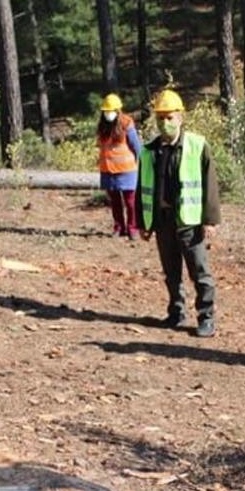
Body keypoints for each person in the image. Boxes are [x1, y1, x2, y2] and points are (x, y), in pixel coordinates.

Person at [136, 89, 220, 338]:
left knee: (200, 273)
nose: (165, 122)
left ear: (180, 117)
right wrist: (143, 222)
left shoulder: (197, 145)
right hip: (163, 223)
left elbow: (210, 184)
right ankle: (176, 312)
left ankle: (206, 318)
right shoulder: (149, 151)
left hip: (189, 223)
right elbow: (142, 188)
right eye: (160, 117)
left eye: (169, 117)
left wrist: (210, 220)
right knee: (171, 273)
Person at [96, 93, 142, 238]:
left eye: (111, 111)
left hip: (127, 170)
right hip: (108, 170)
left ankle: (133, 228)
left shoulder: (127, 124)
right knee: (115, 202)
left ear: (118, 110)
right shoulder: (102, 126)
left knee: (130, 202)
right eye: (106, 111)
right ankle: (119, 228)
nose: (108, 114)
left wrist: (141, 164)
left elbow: (136, 146)